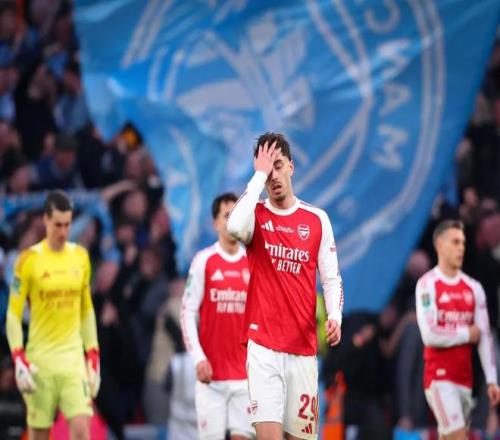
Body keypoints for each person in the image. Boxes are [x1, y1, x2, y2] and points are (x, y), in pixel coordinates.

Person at [227, 133, 344, 440]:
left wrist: (335, 315)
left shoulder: (317, 220)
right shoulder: (255, 215)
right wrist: (258, 176)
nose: (274, 177)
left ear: (291, 166)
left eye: (278, 166)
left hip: (303, 352)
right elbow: (234, 226)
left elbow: (331, 278)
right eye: (268, 171)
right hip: (263, 348)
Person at [5, 190, 100, 440]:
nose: (63, 231)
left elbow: (86, 309)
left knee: (82, 432)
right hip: (41, 362)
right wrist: (18, 358)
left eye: (67, 224)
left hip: (72, 361)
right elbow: (13, 315)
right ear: (45, 221)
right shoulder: (27, 261)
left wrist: (93, 354)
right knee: (39, 435)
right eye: (58, 225)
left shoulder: (80, 257)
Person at [415, 219, 500, 440]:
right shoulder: (427, 285)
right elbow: (430, 334)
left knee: (450, 436)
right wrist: (466, 334)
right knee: (459, 436)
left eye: (462, 242)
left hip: (465, 379)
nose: (461, 247)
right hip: (439, 378)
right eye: (455, 242)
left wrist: (492, 379)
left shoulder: (474, 288)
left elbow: (484, 336)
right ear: (439, 245)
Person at [181, 192, 253, 440]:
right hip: (211, 379)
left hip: (245, 378)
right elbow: (187, 312)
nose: (232, 221)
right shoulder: (204, 261)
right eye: (226, 216)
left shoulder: (252, 262)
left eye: (236, 215)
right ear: (216, 223)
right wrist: (198, 358)